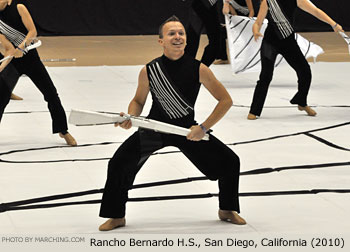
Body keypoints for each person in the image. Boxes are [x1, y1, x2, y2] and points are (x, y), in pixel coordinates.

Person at [98, 15, 246, 231]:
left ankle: (227, 209)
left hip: (186, 131)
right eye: (171, 33)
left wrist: (202, 128)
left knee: (230, 161)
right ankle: (116, 215)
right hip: (154, 129)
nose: (178, 37)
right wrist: (131, 117)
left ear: (186, 39)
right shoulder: (149, 70)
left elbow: (226, 100)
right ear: (161, 41)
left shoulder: (200, 69)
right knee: (119, 164)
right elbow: (138, 100)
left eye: (181, 33)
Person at [247, 0, 343, 120]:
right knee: (265, 76)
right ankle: (254, 110)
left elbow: (315, 11)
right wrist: (255, 31)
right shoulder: (268, 2)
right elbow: (258, 22)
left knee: (305, 72)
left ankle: (301, 102)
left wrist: (333, 24)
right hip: (270, 43)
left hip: (288, 42)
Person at [0, 0, 76, 146]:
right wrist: (1, 67)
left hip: (31, 59)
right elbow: (9, 49)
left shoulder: (19, 7)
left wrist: (21, 48)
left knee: (51, 94)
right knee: (1, 99)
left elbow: (33, 31)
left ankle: (63, 130)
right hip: (14, 63)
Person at [185, 0, 222, 67]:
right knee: (214, 40)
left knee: (193, 38)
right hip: (204, 4)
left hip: (206, 4)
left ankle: (193, 68)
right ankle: (196, 68)